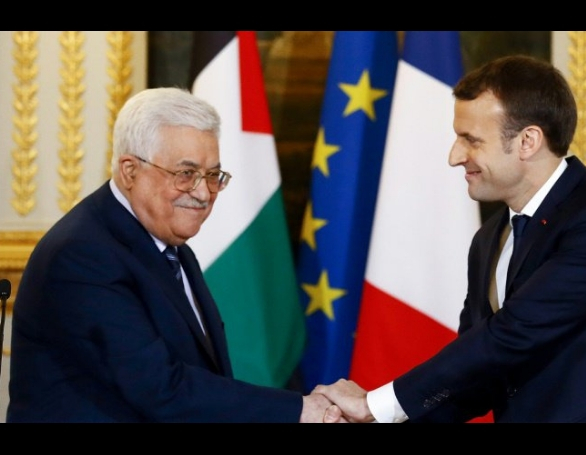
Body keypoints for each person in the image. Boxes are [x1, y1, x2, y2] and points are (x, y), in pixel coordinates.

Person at [316, 55, 586, 423]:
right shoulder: (490, 237)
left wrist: (375, 406)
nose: (455, 157)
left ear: (527, 141)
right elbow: (477, 378)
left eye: (471, 140)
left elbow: (512, 334)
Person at [6, 87, 344, 423]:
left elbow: (200, 372)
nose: (203, 194)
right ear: (130, 171)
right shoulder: (83, 254)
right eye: (186, 174)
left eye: (212, 176)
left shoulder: (168, 243)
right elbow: (161, 389)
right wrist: (302, 409)